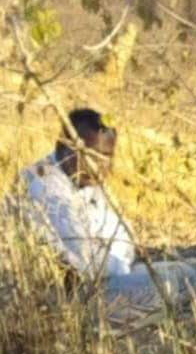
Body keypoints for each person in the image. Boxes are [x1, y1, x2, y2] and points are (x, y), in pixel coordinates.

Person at [15, 108, 151, 297]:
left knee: (177, 274)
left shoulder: (89, 182)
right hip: (60, 298)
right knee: (176, 282)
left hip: (106, 279)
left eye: (105, 157)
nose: (97, 166)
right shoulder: (42, 182)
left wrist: (116, 263)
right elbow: (84, 256)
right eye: (89, 155)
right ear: (63, 147)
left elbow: (125, 238)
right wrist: (118, 265)